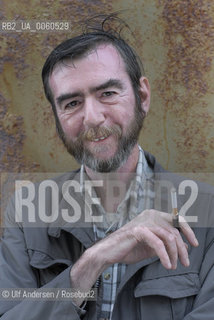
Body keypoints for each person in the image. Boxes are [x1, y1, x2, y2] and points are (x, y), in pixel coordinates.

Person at [1, 15, 214, 320]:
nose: (92, 117)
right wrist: (93, 261)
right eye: (72, 103)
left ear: (142, 96)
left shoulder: (207, 215)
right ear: (57, 118)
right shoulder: (25, 214)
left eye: (108, 94)